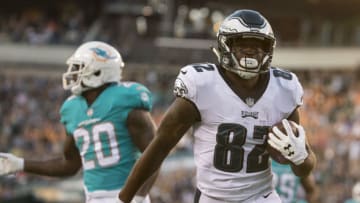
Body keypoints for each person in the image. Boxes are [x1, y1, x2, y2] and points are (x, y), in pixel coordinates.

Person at [118, 9, 316, 203]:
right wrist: (124, 198)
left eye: (257, 44)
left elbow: (304, 168)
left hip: (261, 196)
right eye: (241, 43)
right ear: (224, 45)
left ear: (268, 49)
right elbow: (159, 147)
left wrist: (300, 157)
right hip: (213, 197)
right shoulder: (202, 85)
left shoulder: (284, 89)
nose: (250, 50)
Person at [0, 41, 157, 203]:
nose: (72, 73)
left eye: (78, 68)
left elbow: (156, 155)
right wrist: (20, 164)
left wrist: (136, 198)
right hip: (92, 198)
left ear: (98, 72)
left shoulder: (125, 100)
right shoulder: (72, 108)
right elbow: (69, 164)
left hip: (127, 195)